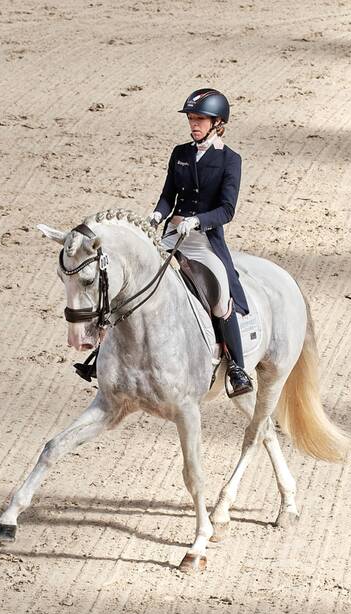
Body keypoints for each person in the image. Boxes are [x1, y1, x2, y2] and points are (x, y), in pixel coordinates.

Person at [150, 88, 253, 397]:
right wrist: (156, 216)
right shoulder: (180, 153)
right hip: (173, 235)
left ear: (217, 122)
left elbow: (227, 209)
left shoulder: (229, 160)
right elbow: (169, 195)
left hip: (203, 242)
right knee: (139, 279)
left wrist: (199, 221)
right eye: (191, 119)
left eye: (199, 120)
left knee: (221, 297)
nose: (193, 125)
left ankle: (237, 368)